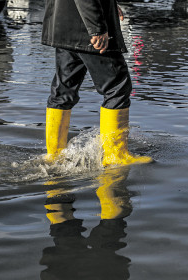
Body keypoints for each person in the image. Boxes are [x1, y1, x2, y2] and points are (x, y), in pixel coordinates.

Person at [41, 0, 152, 166]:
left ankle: (55, 154)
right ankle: (116, 156)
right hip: (86, 30)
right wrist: (97, 28)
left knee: (63, 90)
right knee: (117, 88)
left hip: (64, 25)